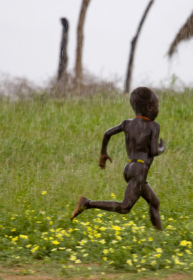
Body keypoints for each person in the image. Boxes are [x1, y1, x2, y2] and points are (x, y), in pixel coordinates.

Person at [70, 87, 165, 230]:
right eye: (157, 106)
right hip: (140, 170)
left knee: (154, 202)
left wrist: (103, 153)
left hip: (129, 168)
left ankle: (160, 235)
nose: (158, 109)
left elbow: (107, 134)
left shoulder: (127, 123)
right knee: (125, 207)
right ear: (150, 107)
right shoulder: (153, 126)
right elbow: (153, 150)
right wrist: (162, 147)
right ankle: (87, 203)